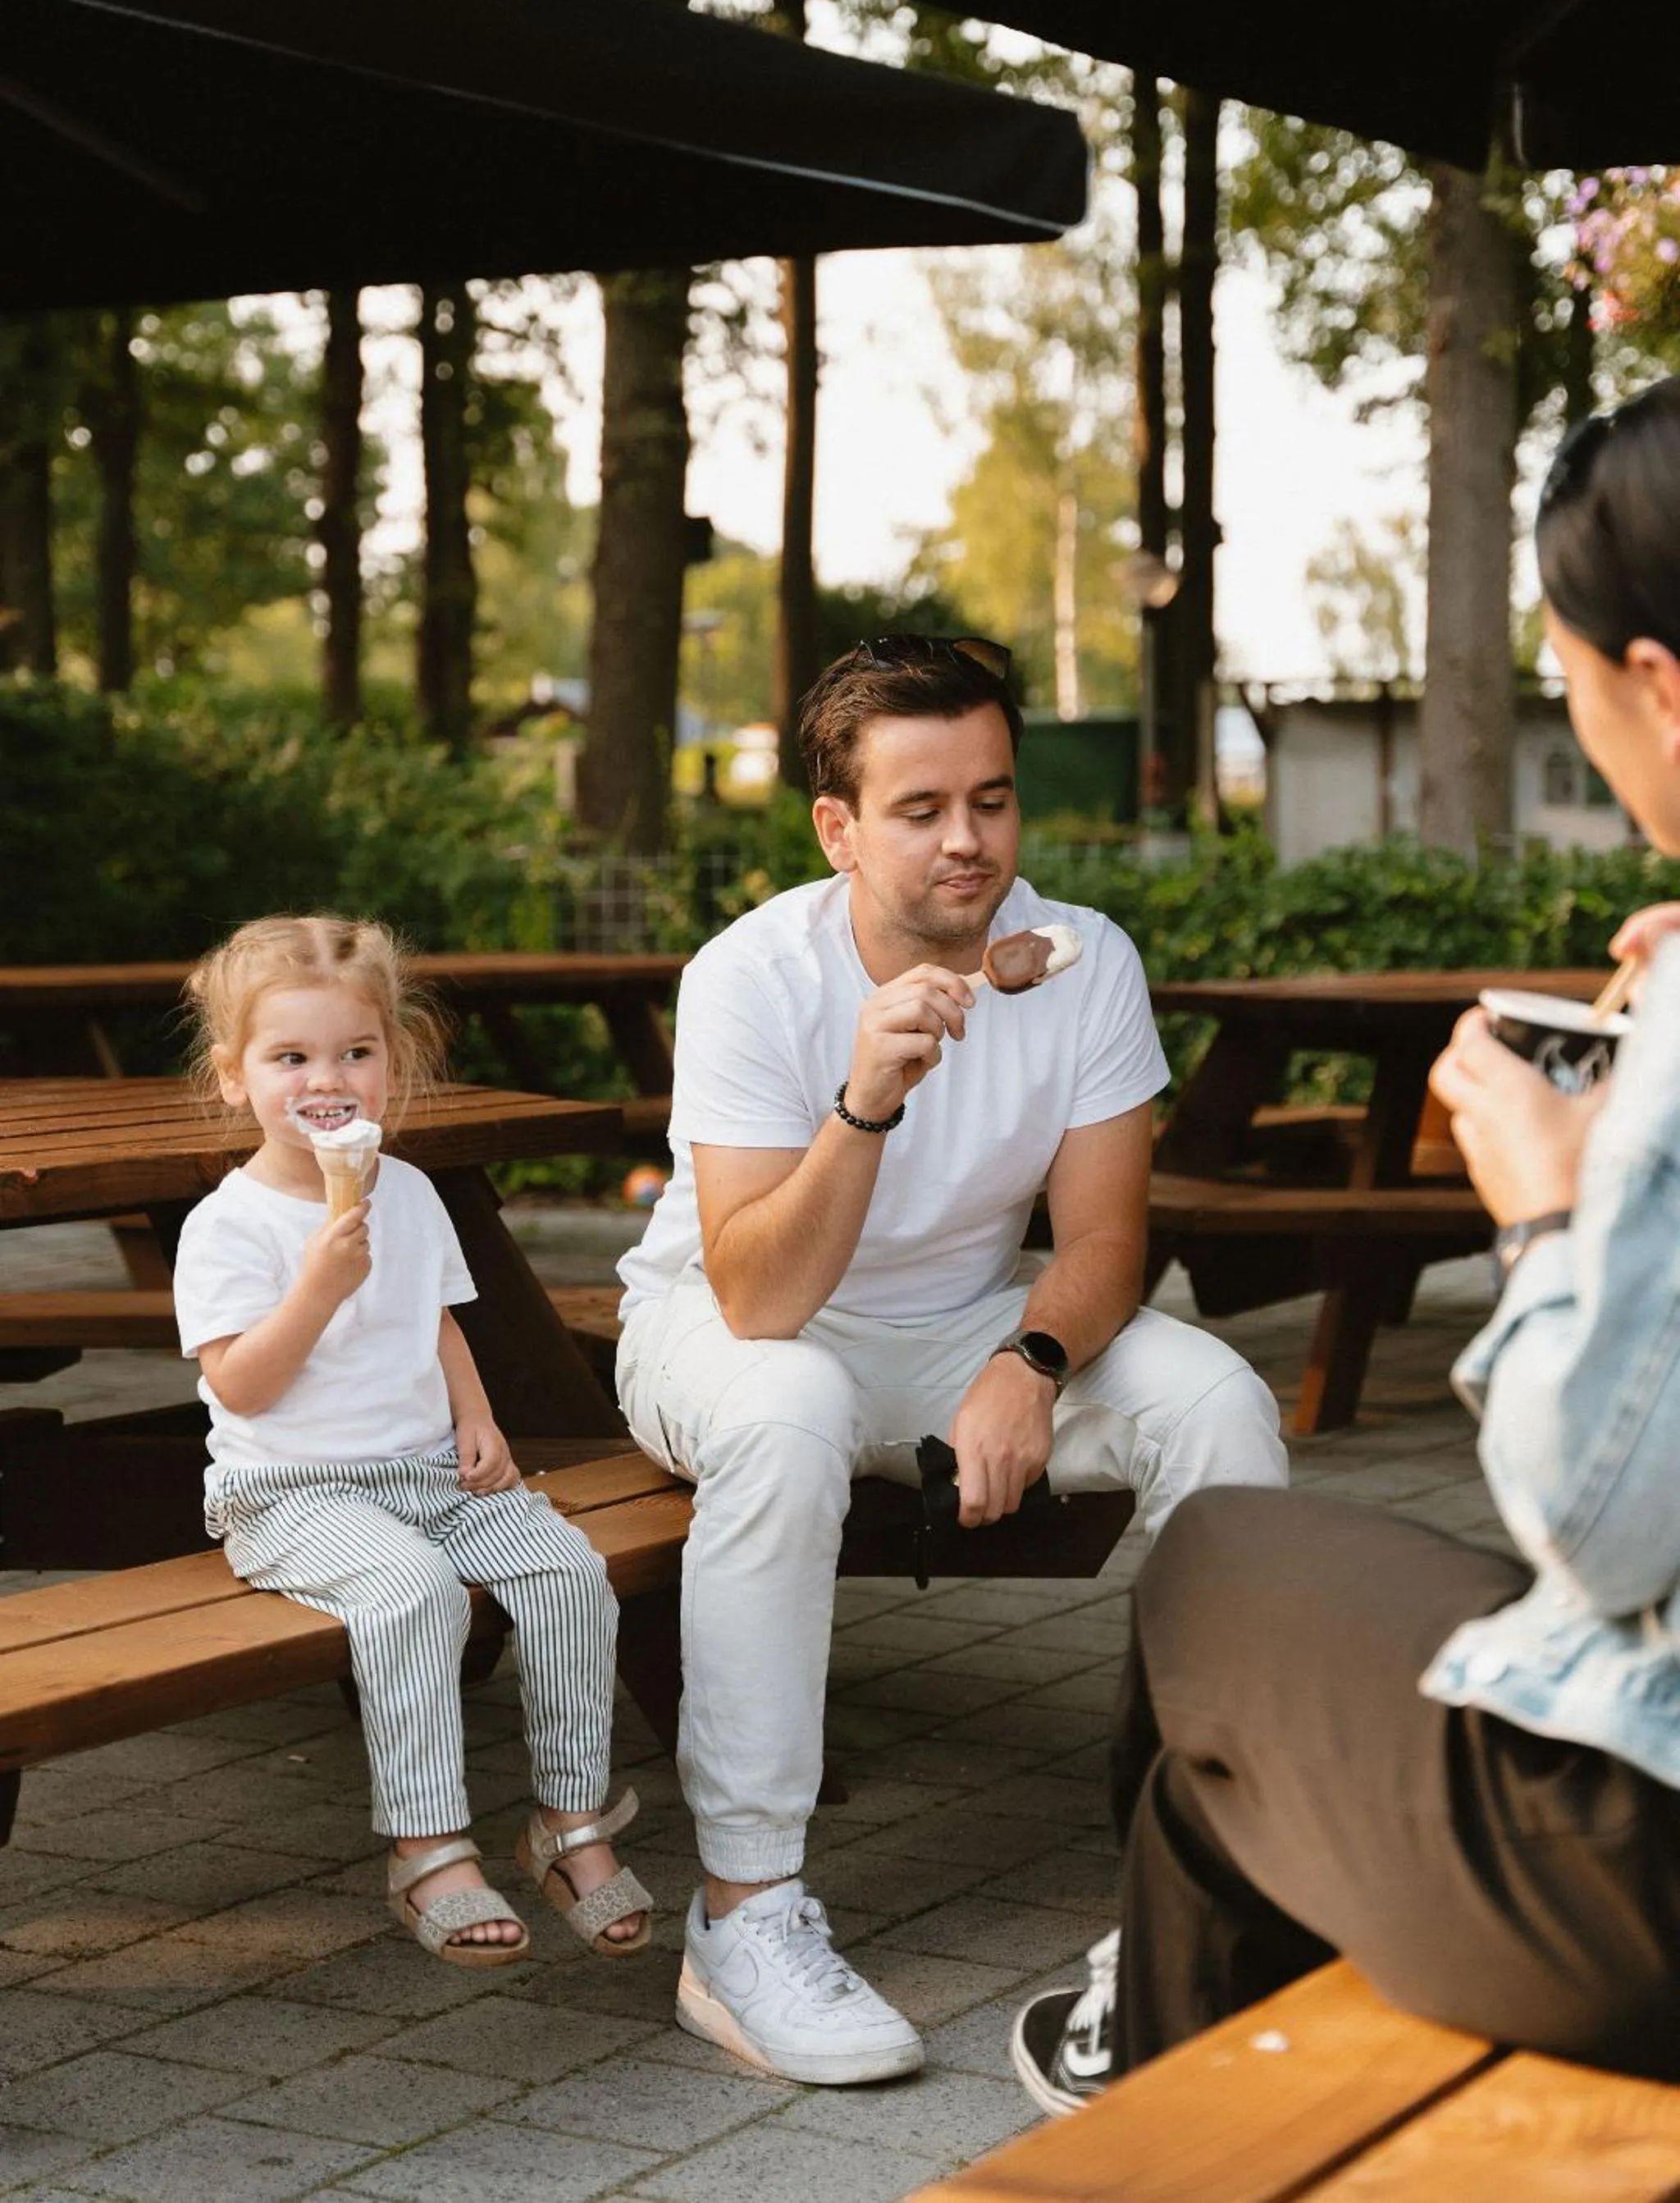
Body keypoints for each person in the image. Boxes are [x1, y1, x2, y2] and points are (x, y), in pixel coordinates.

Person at [1011, 374, 1680, 2116]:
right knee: (1217, 1762)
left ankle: (1155, 2079)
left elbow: (1605, 1529)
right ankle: (1149, 2052)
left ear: (1661, 688)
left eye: (1571, 684)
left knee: (1210, 1572)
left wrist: (1542, 1202)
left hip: (1648, 1866)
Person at [615, 638, 1287, 2086]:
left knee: (1218, 1402)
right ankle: (741, 1917)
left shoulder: (1083, 956)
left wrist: (1029, 1358)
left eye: (990, 798)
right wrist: (863, 1100)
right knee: (791, 1402)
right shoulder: (749, 977)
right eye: (920, 809)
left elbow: (1105, 1240)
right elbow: (756, 1290)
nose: (968, 840)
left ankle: (1224, 1893)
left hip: (968, 1322)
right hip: (729, 1331)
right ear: (837, 827)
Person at [173, 915, 651, 1967]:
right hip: (291, 1495)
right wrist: (316, 1286)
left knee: (569, 1572)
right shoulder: (228, 1226)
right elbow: (240, 1385)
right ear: (231, 1077)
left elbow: (435, 1322)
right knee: (414, 1595)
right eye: (289, 1057)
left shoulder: (414, 1191)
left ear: (395, 1061)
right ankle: (426, 1845)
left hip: (426, 1471)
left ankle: (569, 1824)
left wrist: (476, 1419)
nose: (325, 1079)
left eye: (355, 1052)